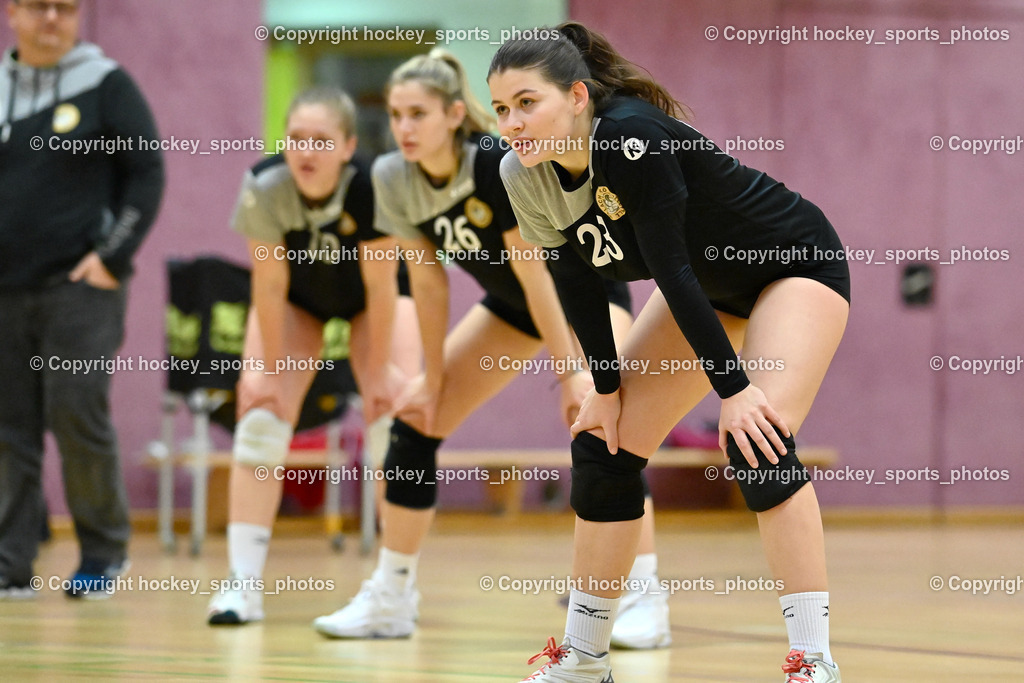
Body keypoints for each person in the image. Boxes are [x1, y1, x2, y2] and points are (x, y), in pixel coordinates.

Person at [491, 22, 850, 682]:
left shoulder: (630, 137)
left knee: (758, 439)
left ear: (576, 96)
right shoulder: (521, 172)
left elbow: (671, 271)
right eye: (501, 109)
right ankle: (583, 655)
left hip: (792, 265)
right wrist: (604, 387)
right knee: (604, 441)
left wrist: (735, 391)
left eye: (527, 102)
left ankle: (813, 659)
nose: (512, 123)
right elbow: (575, 276)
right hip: (709, 289)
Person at [312, 49, 669, 649]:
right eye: (395, 114)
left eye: (418, 114)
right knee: (415, 422)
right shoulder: (392, 178)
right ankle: (391, 595)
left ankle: (644, 598)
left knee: (604, 429)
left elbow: (537, 273)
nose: (403, 128)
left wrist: (571, 374)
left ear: (454, 115)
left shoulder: (492, 165)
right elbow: (426, 281)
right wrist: (432, 378)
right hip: (510, 307)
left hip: (578, 287)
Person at [206, 86, 418, 624]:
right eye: (296, 138)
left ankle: (396, 588)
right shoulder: (265, 184)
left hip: (377, 302)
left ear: (348, 145)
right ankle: (241, 586)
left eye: (321, 140)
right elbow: (270, 283)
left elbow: (379, 285)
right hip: (300, 301)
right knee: (259, 417)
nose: (306, 151)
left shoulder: (373, 185)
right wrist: (266, 372)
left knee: (390, 420)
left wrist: (379, 373)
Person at [0, 0, 164, 599]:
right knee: (9, 429)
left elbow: (146, 175)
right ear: (13, 11)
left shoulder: (107, 84)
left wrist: (112, 256)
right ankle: (9, 564)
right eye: (39, 6)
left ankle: (101, 553)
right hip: (5, 294)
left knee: (76, 414)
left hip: (81, 290)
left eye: (65, 7)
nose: (52, 18)